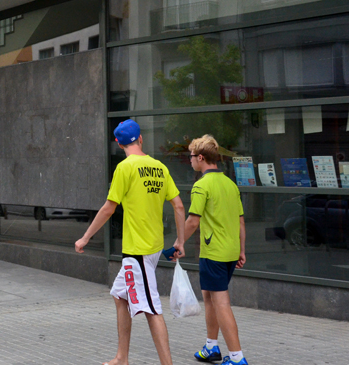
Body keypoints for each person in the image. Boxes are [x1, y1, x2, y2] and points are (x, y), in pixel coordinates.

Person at [75, 119, 186, 365]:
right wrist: (180, 240)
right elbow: (178, 205)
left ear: (118, 143)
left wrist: (85, 237)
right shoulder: (159, 167)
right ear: (141, 139)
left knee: (151, 309)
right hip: (152, 247)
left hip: (137, 250)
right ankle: (121, 358)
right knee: (120, 295)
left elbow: (108, 208)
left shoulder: (125, 168)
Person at [173, 134, 248, 365]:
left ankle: (236, 358)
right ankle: (211, 347)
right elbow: (241, 221)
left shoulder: (201, 185)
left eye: (192, 156)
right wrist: (242, 251)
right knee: (209, 297)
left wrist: (179, 242)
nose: (190, 160)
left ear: (202, 158)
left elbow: (193, 221)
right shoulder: (230, 184)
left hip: (213, 252)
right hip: (230, 251)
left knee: (221, 302)